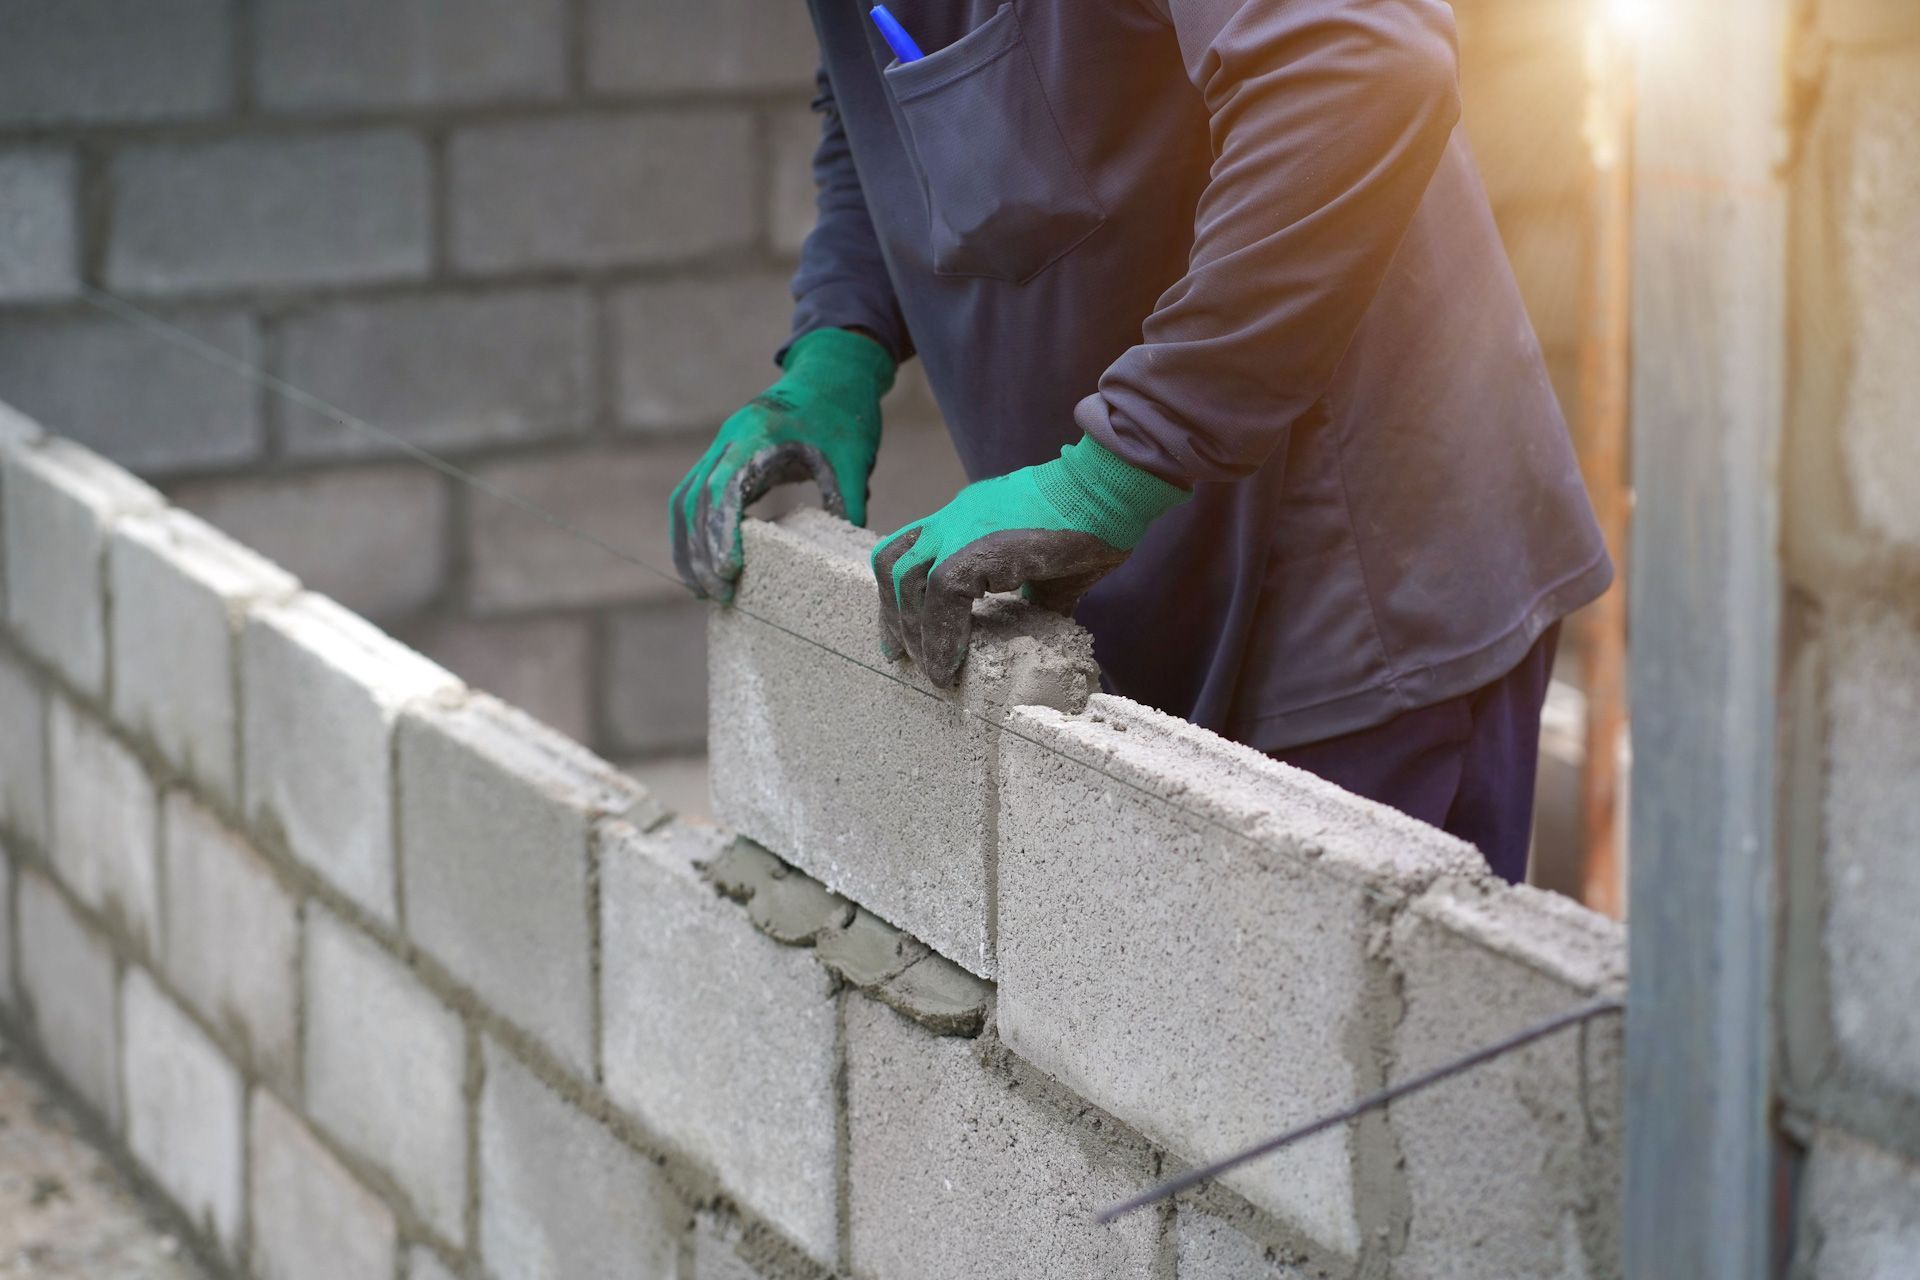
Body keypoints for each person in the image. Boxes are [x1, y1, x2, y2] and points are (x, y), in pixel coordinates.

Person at [669, 0, 1611, 885]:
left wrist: (1115, 476)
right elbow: (875, 99)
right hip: (1152, 560)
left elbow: (1355, 64)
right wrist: (838, 345)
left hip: (1362, 578)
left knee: (1334, 1035)